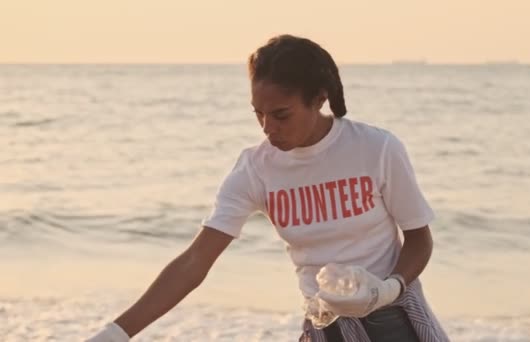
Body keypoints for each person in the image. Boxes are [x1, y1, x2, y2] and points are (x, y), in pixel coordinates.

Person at [88, 34, 449, 342]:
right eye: (257, 113)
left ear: (319, 99)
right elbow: (195, 262)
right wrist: (115, 334)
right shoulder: (255, 169)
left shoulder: (376, 148)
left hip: (396, 316)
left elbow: (419, 237)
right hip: (326, 325)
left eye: (280, 115)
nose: (266, 127)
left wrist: (388, 288)